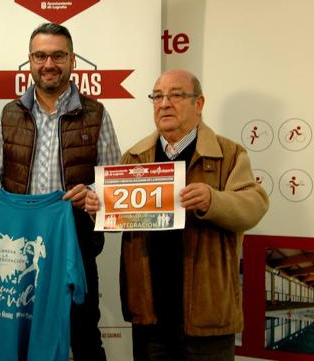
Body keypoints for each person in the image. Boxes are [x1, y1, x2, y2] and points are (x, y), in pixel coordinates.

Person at [86, 69, 269, 360]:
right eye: (157, 96)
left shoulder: (228, 153)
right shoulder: (134, 157)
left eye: (176, 95)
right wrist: (99, 209)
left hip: (207, 317)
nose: (164, 103)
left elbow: (254, 205)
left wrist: (214, 201)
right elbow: (116, 223)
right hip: (150, 315)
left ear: (199, 103)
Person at [0, 22, 121, 361]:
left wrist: (94, 193)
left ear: (72, 61)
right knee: (20, 337)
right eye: (40, 56)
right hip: (22, 253)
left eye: (58, 56)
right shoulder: (11, 114)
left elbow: (113, 180)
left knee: (83, 337)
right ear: (29, 60)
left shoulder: (96, 113)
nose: (49, 64)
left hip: (76, 247)